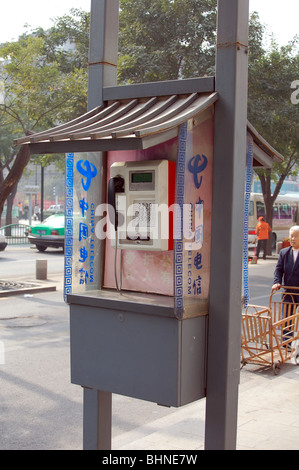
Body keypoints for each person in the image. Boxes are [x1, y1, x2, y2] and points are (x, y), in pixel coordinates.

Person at [272, 225, 299, 348]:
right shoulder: (284, 253)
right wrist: (277, 282)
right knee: (287, 319)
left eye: (296, 236)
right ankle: (286, 345)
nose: (293, 239)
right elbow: (278, 270)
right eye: (291, 236)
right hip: (289, 292)